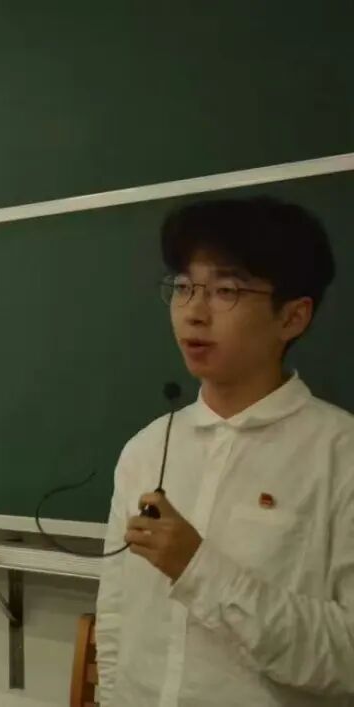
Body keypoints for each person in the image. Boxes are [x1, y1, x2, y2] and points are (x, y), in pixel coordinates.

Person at [95, 196, 354, 706]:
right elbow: (116, 616)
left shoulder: (339, 456)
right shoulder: (146, 449)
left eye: (226, 291)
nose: (194, 312)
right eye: (184, 287)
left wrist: (199, 570)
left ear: (293, 317)